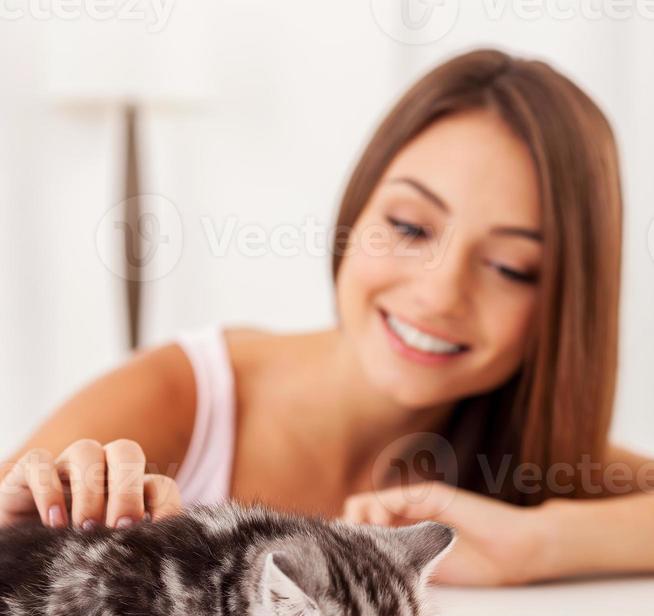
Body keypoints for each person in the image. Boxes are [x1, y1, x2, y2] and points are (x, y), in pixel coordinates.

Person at [1, 49, 653, 586]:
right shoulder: (186, 395)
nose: (441, 293)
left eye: (511, 267)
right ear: (357, 211)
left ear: (564, 309)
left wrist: (536, 543)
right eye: (408, 226)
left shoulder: (524, 450)